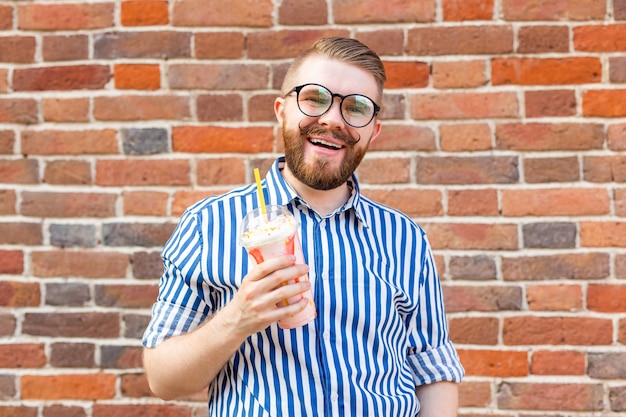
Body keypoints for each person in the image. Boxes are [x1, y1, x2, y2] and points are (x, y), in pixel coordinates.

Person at [142, 37, 464, 417]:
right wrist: (237, 319)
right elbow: (162, 380)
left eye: (356, 108)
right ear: (282, 110)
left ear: (373, 131)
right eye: (314, 98)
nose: (333, 120)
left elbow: (432, 369)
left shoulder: (403, 238)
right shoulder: (208, 224)